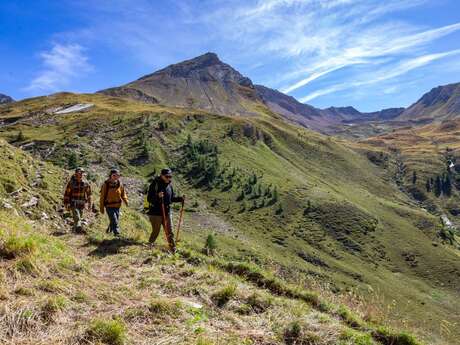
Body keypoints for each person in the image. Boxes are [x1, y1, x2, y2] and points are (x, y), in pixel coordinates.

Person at [147, 168, 184, 252]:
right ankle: (149, 245)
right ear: (162, 175)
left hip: (167, 212)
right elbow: (149, 199)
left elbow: (171, 199)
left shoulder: (169, 185)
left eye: (170, 176)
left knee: (170, 231)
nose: (169, 178)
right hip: (155, 213)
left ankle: (173, 248)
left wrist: (180, 199)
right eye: (167, 176)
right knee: (156, 231)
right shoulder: (155, 184)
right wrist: (157, 196)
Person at [99, 169, 129, 236]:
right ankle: (117, 234)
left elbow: (123, 194)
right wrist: (101, 208)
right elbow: (102, 197)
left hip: (117, 206)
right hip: (109, 206)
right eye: (114, 175)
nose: (116, 177)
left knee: (114, 220)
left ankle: (109, 231)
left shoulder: (119, 184)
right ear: (111, 176)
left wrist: (126, 201)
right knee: (114, 220)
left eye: (117, 175)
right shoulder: (106, 184)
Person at [63, 167, 92, 233]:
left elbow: (89, 194)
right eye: (79, 173)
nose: (81, 174)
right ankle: (79, 228)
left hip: (82, 204)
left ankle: (75, 229)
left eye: (82, 173)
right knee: (77, 217)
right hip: (73, 203)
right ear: (76, 173)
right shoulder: (71, 183)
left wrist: (89, 204)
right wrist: (66, 203)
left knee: (79, 218)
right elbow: (67, 194)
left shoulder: (86, 183)